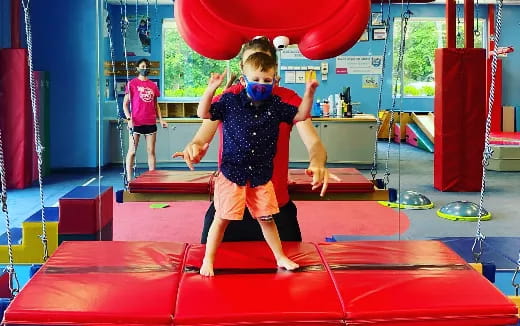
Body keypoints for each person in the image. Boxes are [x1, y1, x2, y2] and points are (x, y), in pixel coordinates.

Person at [173, 37, 333, 243]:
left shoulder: (286, 100)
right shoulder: (228, 99)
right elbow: (199, 139)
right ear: (243, 69)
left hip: (273, 203)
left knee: (288, 269)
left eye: (264, 66)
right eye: (252, 65)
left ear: (273, 70)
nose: (259, 76)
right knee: (210, 266)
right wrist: (193, 149)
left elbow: (314, 143)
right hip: (230, 200)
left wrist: (317, 162)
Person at [196, 52, 318, 276]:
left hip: (261, 176)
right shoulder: (230, 100)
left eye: (266, 80)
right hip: (233, 173)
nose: (261, 84)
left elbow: (300, 115)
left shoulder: (276, 105)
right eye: (256, 79)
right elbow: (203, 113)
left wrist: (310, 93)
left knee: (267, 218)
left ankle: (280, 256)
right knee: (221, 218)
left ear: (275, 81)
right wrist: (211, 88)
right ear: (244, 79)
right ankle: (208, 260)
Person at [123, 58, 167, 182]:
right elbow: (125, 105)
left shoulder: (153, 85)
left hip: (150, 122)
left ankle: (152, 179)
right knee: (132, 151)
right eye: (142, 66)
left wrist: (161, 120)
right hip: (136, 122)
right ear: (137, 68)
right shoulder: (132, 84)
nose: (144, 68)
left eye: (146, 66)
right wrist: (129, 119)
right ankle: (130, 179)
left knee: (151, 151)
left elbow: (156, 104)